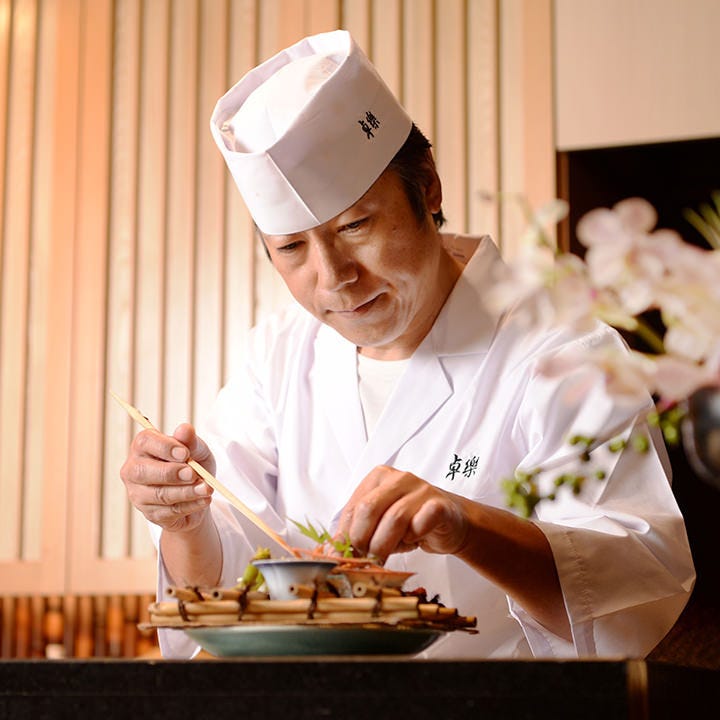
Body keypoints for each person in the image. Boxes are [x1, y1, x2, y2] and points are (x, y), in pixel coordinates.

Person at [120, 30, 694, 659]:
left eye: (356, 226)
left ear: (429, 188)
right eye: (291, 248)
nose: (334, 277)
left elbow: (636, 590)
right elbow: (223, 595)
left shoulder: (564, 350)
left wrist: (466, 526)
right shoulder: (278, 356)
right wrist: (184, 521)